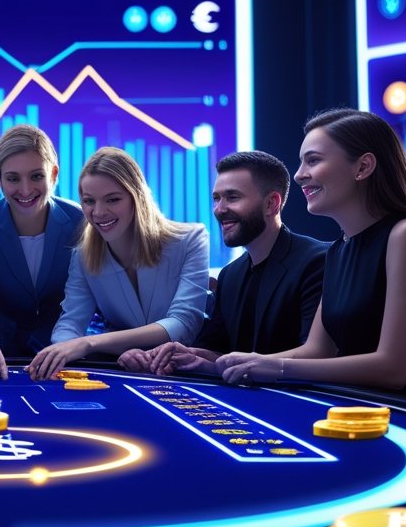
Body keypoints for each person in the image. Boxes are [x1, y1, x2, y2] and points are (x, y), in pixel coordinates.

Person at [216, 109, 406, 395]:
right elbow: (318, 350)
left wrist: (278, 368)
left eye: (313, 160)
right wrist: (230, 364)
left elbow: (394, 369)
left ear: (363, 167)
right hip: (352, 404)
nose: (299, 175)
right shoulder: (339, 248)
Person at [120, 150, 326, 375]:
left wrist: (219, 366)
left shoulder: (318, 261)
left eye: (232, 197)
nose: (219, 209)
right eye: (216, 198)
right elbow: (218, 351)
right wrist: (172, 355)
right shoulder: (230, 275)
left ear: (271, 204)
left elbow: (316, 356)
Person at [28, 147, 209, 379]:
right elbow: (70, 323)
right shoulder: (83, 256)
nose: (98, 212)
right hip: (128, 371)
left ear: (137, 197)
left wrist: (90, 343)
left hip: (190, 372)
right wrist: (61, 351)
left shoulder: (191, 239)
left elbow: (182, 324)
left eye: (112, 199)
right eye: (89, 201)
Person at [0, 125, 83, 380]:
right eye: (13, 179)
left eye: (36, 176)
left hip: (63, 359)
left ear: (54, 174)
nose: (25, 189)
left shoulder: (80, 221)